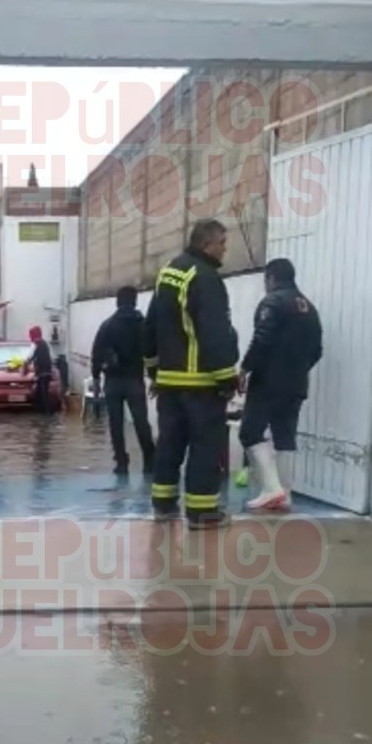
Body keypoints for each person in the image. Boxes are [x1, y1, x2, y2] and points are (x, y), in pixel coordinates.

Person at [143, 219, 239, 528]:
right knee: (205, 447)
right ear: (206, 244)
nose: (224, 250)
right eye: (222, 243)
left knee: (169, 445)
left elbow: (151, 324)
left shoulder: (169, 272)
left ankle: (163, 506)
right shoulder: (206, 278)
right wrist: (227, 378)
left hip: (169, 382)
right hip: (201, 384)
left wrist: (153, 369)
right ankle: (201, 513)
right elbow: (215, 332)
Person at [239, 258, 323, 511]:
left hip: (268, 382)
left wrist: (245, 368)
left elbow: (262, 339)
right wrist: (297, 370)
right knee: (285, 436)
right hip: (296, 383)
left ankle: (271, 488)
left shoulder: (272, 302)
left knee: (249, 432)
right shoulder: (310, 308)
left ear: (271, 278)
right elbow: (317, 350)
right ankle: (284, 494)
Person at [91, 285, 155, 477]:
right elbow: (152, 351)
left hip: (113, 382)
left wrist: (96, 378)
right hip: (135, 380)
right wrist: (155, 377)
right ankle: (149, 460)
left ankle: (121, 463)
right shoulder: (143, 325)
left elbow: (96, 353)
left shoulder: (107, 325)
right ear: (135, 301)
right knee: (141, 422)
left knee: (116, 424)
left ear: (117, 302)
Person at [28, 325, 54, 414]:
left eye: (31, 335)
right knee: (40, 393)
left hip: (44, 373)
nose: (30, 338)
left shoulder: (41, 345)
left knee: (44, 394)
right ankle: (42, 411)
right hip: (42, 373)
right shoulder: (40, 344)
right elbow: (33, 357)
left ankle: (47, 413)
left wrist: (27, 364)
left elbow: (34, 357)